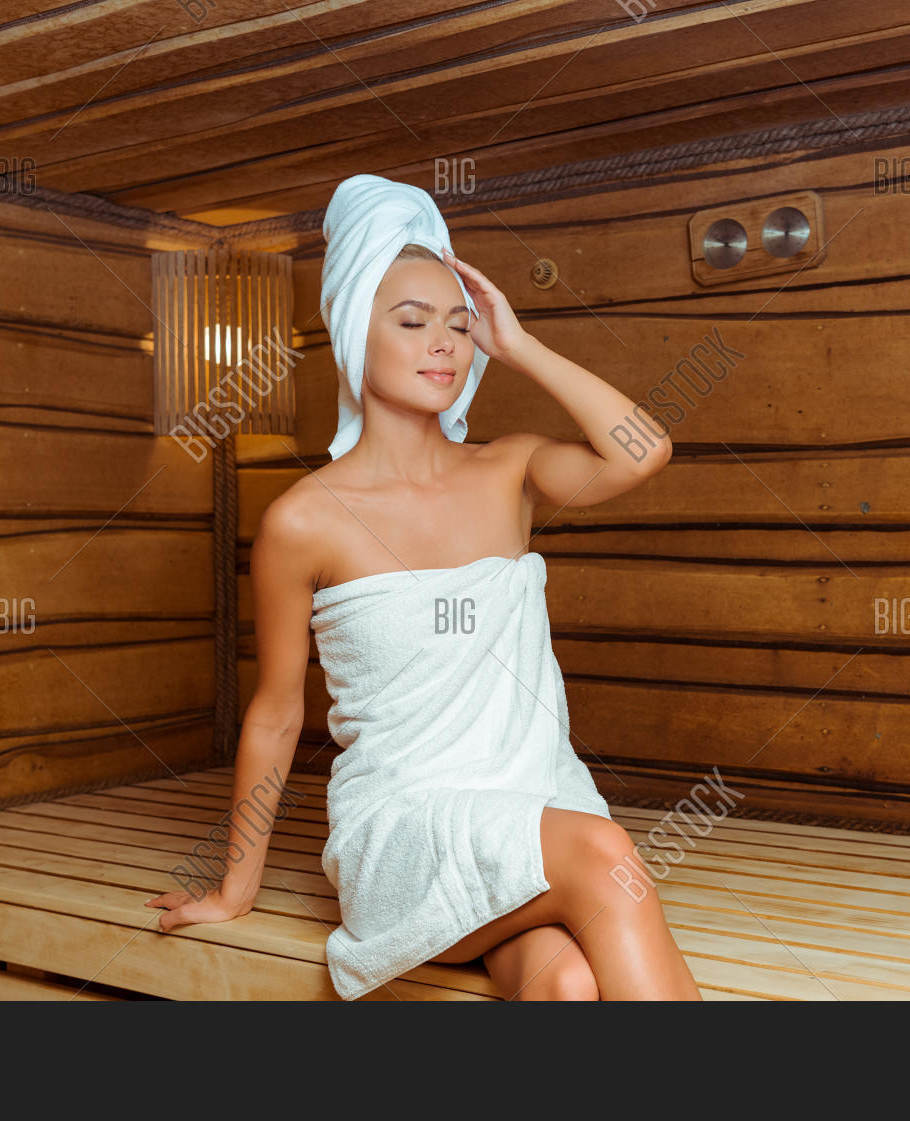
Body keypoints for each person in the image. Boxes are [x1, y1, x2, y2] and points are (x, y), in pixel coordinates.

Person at [147, 235, 700, 1001]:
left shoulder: (510, 469)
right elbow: (275, 711)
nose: (444, 342)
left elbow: (643, 450)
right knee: (606, 853)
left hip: (536, 801)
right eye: (412, 321)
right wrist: (235, 886)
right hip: (405, 828)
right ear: (353, 334)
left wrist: (520, 346)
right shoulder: (304, 521)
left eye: (459, 324)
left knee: (565, 984)